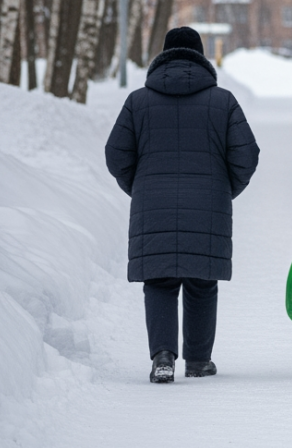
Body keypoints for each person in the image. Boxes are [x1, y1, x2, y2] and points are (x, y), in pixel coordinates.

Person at [105, 27, 260, 383]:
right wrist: (223, 189)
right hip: (207, 202)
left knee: (158, 281)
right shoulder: (223, 101)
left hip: (153, 201)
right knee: (201, 281)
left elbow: (116, 155)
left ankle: (162, 356)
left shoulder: (138, 101)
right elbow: (246, 156)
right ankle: (198, 361)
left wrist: (141, 186)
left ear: (162, 55)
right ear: (201, 57)